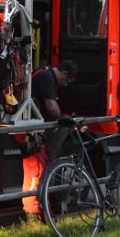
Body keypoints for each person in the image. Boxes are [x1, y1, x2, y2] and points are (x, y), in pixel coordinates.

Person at [22, 59, 79, 221]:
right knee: (36, 171)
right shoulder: (47, 78)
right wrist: (61, 119)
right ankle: (32, 215)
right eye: (67, 81)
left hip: (35, 129)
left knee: (39, 171)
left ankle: (38, 211)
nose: (65, 85)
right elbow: (51, 107)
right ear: (65, 73)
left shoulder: (43, 73)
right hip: (34, 131)